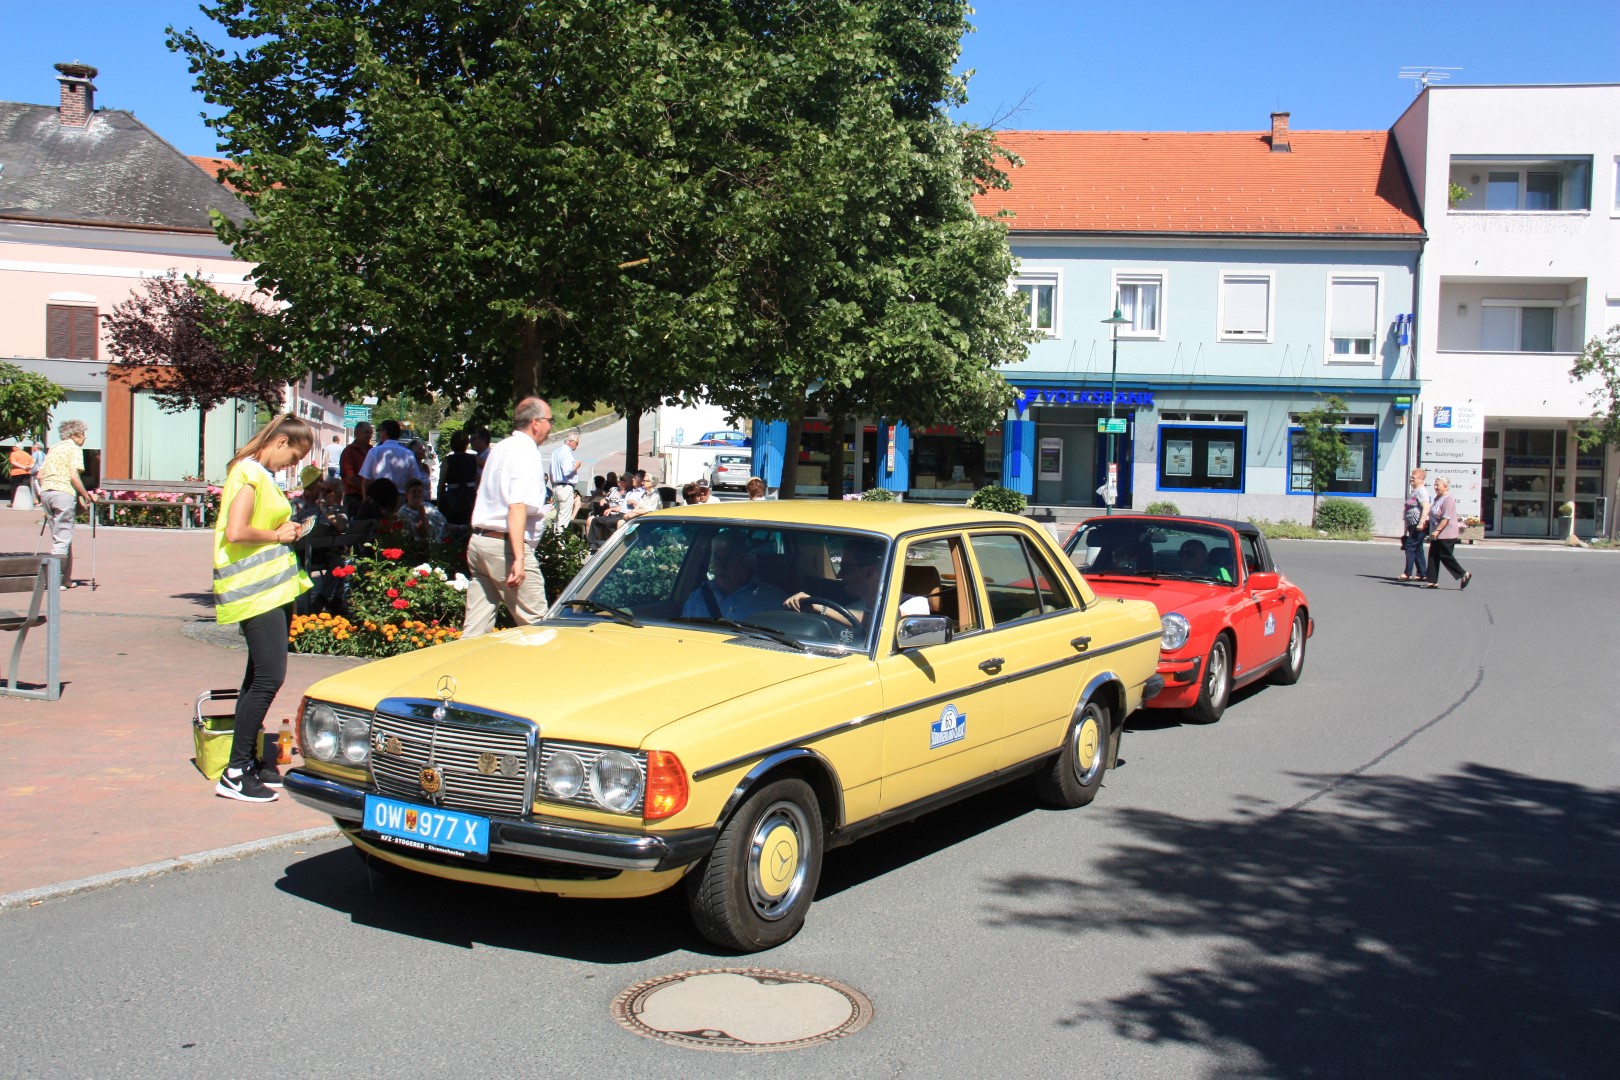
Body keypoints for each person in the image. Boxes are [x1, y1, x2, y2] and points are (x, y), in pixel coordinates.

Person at [212, 413, 315, 802]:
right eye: (293, 458)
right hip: (255, 593)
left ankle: (247, 761)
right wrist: (278, 533)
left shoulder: (258, 474)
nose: (293, 467)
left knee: (258, 677)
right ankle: (235, 771)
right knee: (269, 676)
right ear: (280, 443)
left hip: (269, 590)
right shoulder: (250, 473)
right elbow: (237, 531)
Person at [464, 397, 552, 637]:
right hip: (504, 546)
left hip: (480, 542)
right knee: (538, 627)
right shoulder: (526, 452)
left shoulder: (500, 448)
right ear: (536, 423)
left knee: (475, 629)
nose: (550, 426)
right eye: (549, 420)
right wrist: (520, 558)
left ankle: (458, 672)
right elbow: (517, 505)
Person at [785, 536, 926, 627]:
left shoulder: (915, 604)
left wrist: (822, 608)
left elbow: (888, 625)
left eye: (847, 568)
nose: (840, 574)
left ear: (870, 572)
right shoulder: (853, 607)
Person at [36, 419, 98, 588]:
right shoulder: (74, 449)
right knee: (62, 540)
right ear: (75, 435)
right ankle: (55, 580)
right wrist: (86, 495)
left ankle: (66, 579)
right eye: (83, 434)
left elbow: (40, 475)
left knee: (61, 537)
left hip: (47, 492)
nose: (84, 438)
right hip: (63, 492)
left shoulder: (53, 448)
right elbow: (73, 475)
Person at [680, 530, 788, 620]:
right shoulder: (697, 598)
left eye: (730, 559)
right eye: (717, 558)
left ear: (748, 561)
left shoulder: (773, 601)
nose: (721, 565)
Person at [1422, 476, 1472, 590]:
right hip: (1437, 532)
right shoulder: (1437, 498)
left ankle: (1463, 573)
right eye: (1434, 485)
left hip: (1446, 533)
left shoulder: (1448, 499)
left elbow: (1446, 518)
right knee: (1433, 555)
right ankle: (1432, 581)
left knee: (1445, 556)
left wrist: (1437, 531)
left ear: (1445, 486)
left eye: (1437, 485)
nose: (1435, 487)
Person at [359, 419, 424, 496]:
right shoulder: (408, 454)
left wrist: (366, 500)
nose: (379, 433)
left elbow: (366, 481)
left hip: (379, 497)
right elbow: (415, 479)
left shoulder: (374, 452)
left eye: (380, 431)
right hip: (400, 497)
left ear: (384, 432)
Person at [436, 430, 479, 528]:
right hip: (470, 497)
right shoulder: (474, 459)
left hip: (452, 497)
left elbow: (441, 484)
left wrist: (439, 502)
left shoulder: (447, 460)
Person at [1399, 467, 1431, 582]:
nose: (1411, 479)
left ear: (1421, 479)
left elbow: (1426, 507)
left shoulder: (1422, 491)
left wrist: (1421, 523)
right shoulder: (1414, 491)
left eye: (1414, 477)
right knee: (1417, 548)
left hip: (1418, 525)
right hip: (1412, 525)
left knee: (1410, 546)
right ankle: (1422, 573)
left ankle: (1407, 573)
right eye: (1411, 477)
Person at [548, 430, 581, 534]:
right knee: (564, 518)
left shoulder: (556, 452)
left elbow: (551, 471)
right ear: (570, 442)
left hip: (556, 486)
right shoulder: (567, 452)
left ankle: (556, 538)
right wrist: (577, 465)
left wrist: (554, 484)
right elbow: (567, 471)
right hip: (565, 486)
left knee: (558, 516)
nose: (577, 445)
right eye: (577, 442)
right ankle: (560, 542)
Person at [339, 421, 373, 517]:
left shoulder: (372, 450)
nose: (369, 435)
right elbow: (349, 477)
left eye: (370, 433)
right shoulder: (348, 451)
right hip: (354, 498)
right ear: (357, 433)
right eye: (366, 432)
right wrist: (364, 488)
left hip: (370, 497)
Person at [399, 477, 447, 542]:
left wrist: (461, 527)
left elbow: (444, 524)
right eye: (414, 492)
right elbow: (422, 530)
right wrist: (421, 510)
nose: (417, 494)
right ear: (407, 494)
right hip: (422, 545)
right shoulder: (404, 512)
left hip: (442, 541)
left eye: (419, 491)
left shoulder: (429, 506)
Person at [8, 442, 36, 508]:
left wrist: (22, 467)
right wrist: (28, 467)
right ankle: (27, 501)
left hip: (16, 472)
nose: (13, 448)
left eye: (14, 446)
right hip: (27, 472)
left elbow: (13, 462)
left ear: (16, 447)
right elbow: (32, 463)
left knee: (14, 487)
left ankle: (13, 502)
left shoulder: (14, 454)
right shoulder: (27, 454)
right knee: (26, 487)